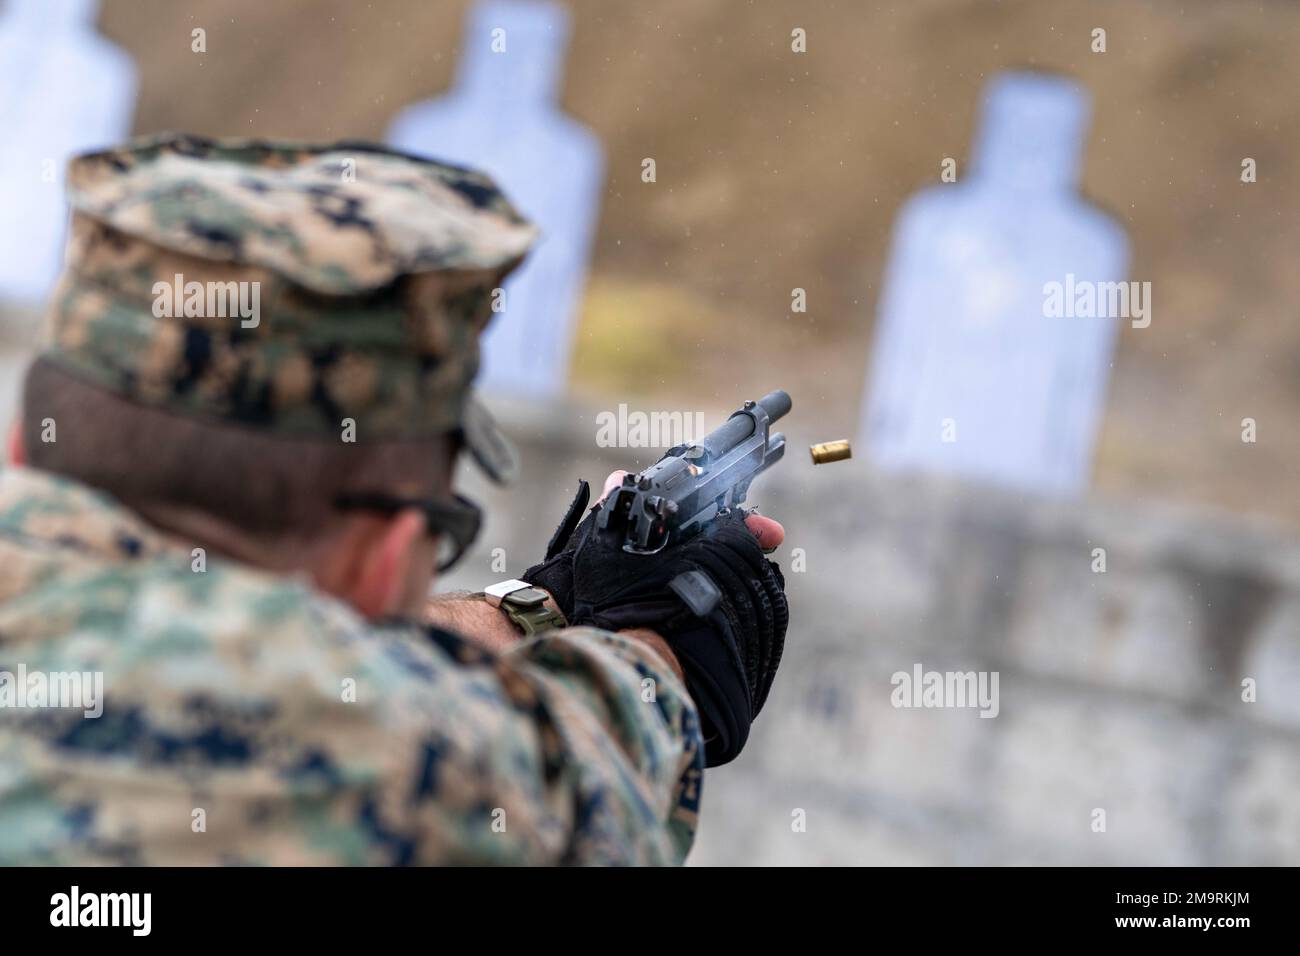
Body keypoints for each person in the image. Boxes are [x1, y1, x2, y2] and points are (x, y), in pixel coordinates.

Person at [0, 133, 789, 865]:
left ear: (16, 448)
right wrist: (661, 643)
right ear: (384, 559)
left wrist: (542, 602)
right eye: (437, 535)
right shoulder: (405, 776)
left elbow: (283, 641)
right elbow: (585, 779)